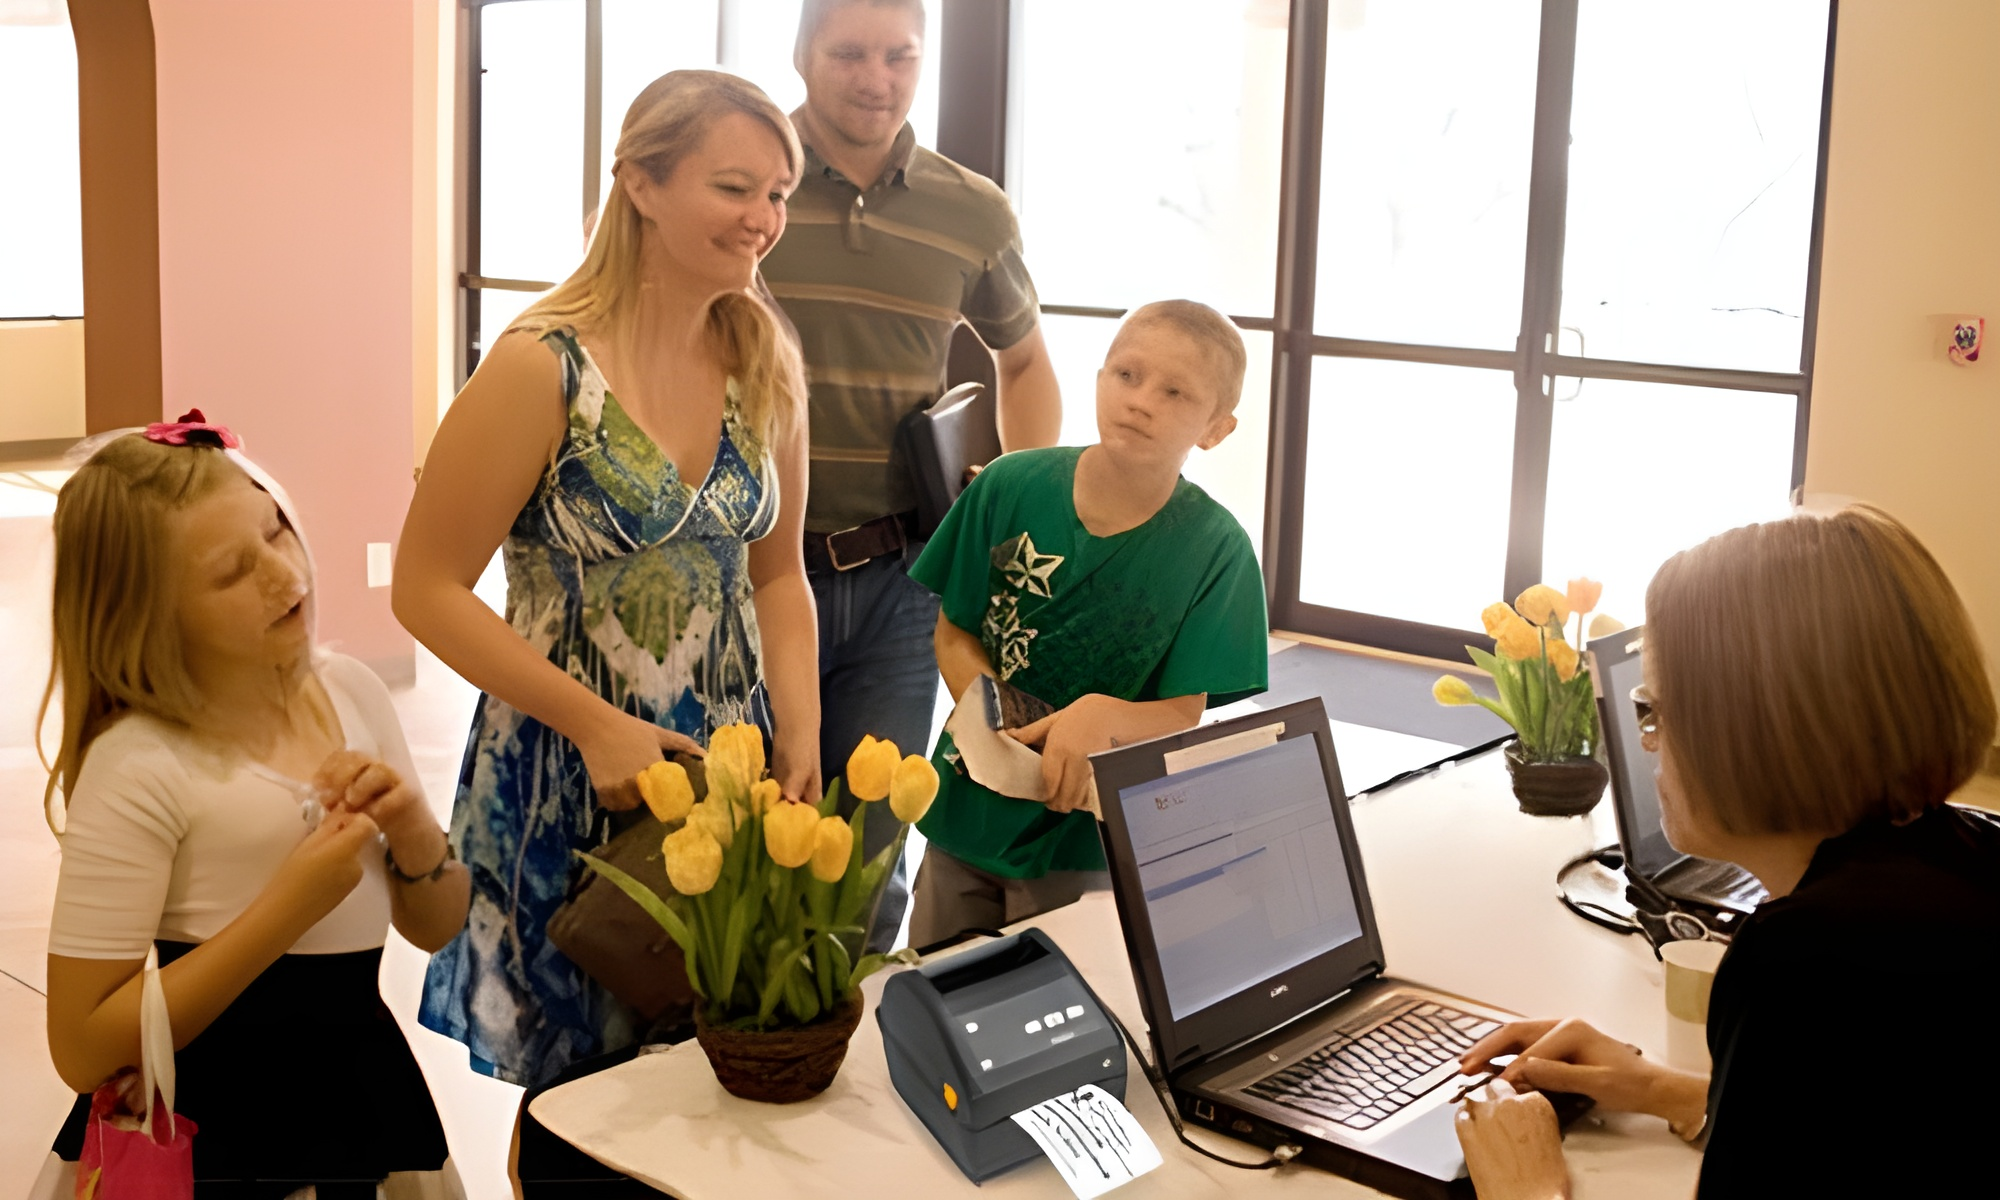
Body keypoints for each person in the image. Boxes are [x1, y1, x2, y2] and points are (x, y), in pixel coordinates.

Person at [394, 70, 818, 1087]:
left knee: (710, 1074)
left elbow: (778, 577)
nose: (763, 219)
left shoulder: (764, 360)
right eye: (734, 188)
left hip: (720, 766)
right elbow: (425, 586)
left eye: (777, 194)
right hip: (564, 771)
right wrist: (595, 726)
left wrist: (800, 726)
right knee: (575, 1099)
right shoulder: (541, 366)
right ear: (640, 183)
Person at [1453, 504, 2000, 1199]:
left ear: (1744, 732)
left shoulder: (1804, 958)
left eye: (1654, 712)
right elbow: (1873, 1124)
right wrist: (1671, 1090)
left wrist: (1527, 1188)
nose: (1647, 744)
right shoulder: (1970, 856)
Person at [37, 417, 469, 1194]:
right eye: (232, 572)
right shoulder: (140, 764)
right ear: (150, 614)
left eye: (276, 531)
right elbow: (80, 1046)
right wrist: (288, 909)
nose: (282, 571)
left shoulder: (350, 692)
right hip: (211, 1138)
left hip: (360, 1106)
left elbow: (438, 926)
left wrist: (410, 827)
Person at [759, 0, 1063, 950]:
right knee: (744, 838)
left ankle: (846, 1027)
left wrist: (1012, 506)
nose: (877, 78)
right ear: (803, 54)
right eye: (850, 53)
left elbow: (1025, 360)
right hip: (748, 572)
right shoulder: (748, 183)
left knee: (870, 849)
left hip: (902, 579)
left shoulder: (970, 209)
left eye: (900, 55)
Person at [903, 300, 1268, 946]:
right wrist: (991, 709)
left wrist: (1102, 716)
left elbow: (1184, 710)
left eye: (1175, 392)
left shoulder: (1218, 550)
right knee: (935, 979)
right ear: (1099, 379)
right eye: (1127, 375)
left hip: (1087, 831)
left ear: (1216, 429)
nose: (1141, 401)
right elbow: (954, 629)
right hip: (969, 800)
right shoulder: (1008, 485)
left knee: (1065, 991)